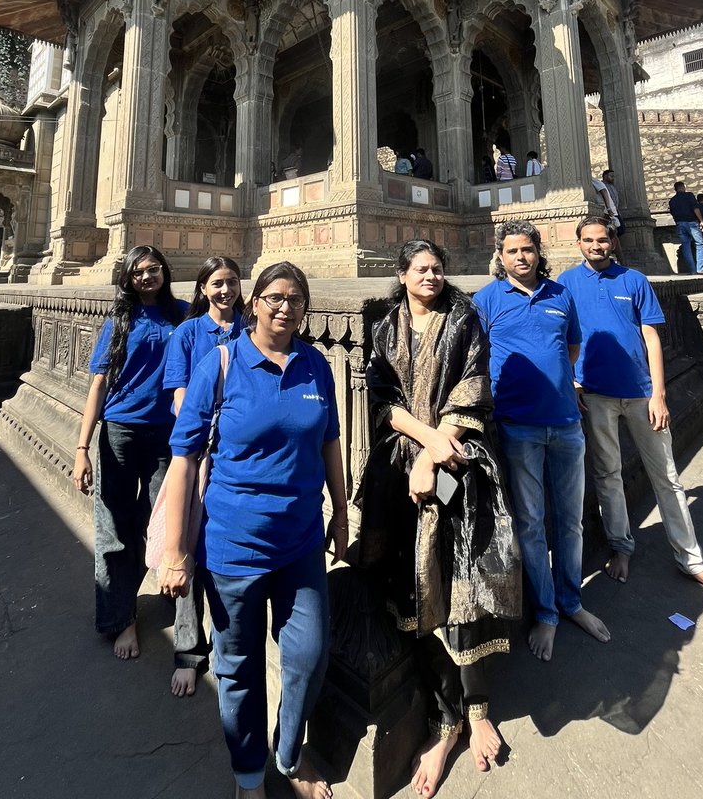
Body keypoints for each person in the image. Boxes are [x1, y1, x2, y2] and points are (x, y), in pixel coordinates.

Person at [161, 262, 347, 799]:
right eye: (273, 297)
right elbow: (184, 458)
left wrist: (339, 508)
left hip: (302, 541)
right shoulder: (220, 363)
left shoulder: (316, 366)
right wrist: (176, 551)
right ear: (254, 303)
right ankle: (248, 773)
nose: (284, 307)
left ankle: (288, 754)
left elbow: (330, 441)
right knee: (238, 669)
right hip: (234, 547)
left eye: (295, 299)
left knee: (309, 657)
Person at [358, 240, 519, 796]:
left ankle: (477, 710)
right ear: (401, 275)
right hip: (403, 469)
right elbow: (382, 401)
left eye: (438, 267)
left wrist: (434, 454)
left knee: (463, 588)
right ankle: (445, 719)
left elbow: (473, 390)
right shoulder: (384, 330)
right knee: (415, 589)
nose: (432, 275)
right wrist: (422, 442)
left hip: (458, 467)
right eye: (421, 269)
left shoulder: (464, 319)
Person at [558, 217, 703, 602]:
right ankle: (621, 546)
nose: (597, 246)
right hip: (595, 395)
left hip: (641, 393)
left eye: (603, 239)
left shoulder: (634, 281)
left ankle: (692, 560)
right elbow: (563, 337)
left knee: (667, 477)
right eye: (589, 240)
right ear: (578, 244)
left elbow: (652, 337)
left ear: (612, 242)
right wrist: (572, 380)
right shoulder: (566, 284)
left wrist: (659, 393)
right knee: (608, 473)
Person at [473, 221, 609, 663]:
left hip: (566, 423)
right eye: (512, 251)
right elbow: (474, 357)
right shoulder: (488, 300)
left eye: (527, 250)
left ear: (538, 252)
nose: (521, 258)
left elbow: (570, 348)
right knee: (530, 523)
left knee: (570, 521)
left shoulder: (559, 295)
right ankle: (546, 612)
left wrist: (559, 384)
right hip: (518, 427)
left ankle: (572, 602)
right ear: (500, 256)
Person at [74, 245, 187, 659]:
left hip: (167, 434)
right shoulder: (121, 319)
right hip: (120, 432)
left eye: (153, 269)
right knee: (116, 529)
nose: (147, 277)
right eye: (138, 272)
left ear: (164, 271)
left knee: (162, 520)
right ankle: (121, 618)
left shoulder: (182, 313)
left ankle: (170, 586)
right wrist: (82, 448)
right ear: (127, 278)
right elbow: (99, 384)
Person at [163, 256, 244, 698]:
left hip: (237, 456)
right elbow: (178, 397)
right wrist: (208, 422)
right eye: (216, 284)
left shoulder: (250, 330)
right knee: (188, 546)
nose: (225, 291)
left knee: (221, 550)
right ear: (202, 289)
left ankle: (231, 644)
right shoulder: (189, 333)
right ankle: (189, 651)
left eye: (231, 282)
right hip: (196, 453)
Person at [668, 181, 703, 274]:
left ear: (675, 189)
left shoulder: (672, 200)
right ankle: (700, 269)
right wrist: (701, 221)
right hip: (691, 222)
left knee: (686, 246)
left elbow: (673, 213)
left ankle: (693, 271)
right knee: (699, 244)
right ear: (683, 187)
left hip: (680, 223)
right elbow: (695, 208)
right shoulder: (689, 195)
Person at [601, 169, 625, 238]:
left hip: (615, 210)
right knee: (618, 229)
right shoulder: (602, 185)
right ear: (605, 176)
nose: (613, 178)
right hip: (609, 211)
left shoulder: (612, 186)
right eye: (611, 176)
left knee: (620, 229)